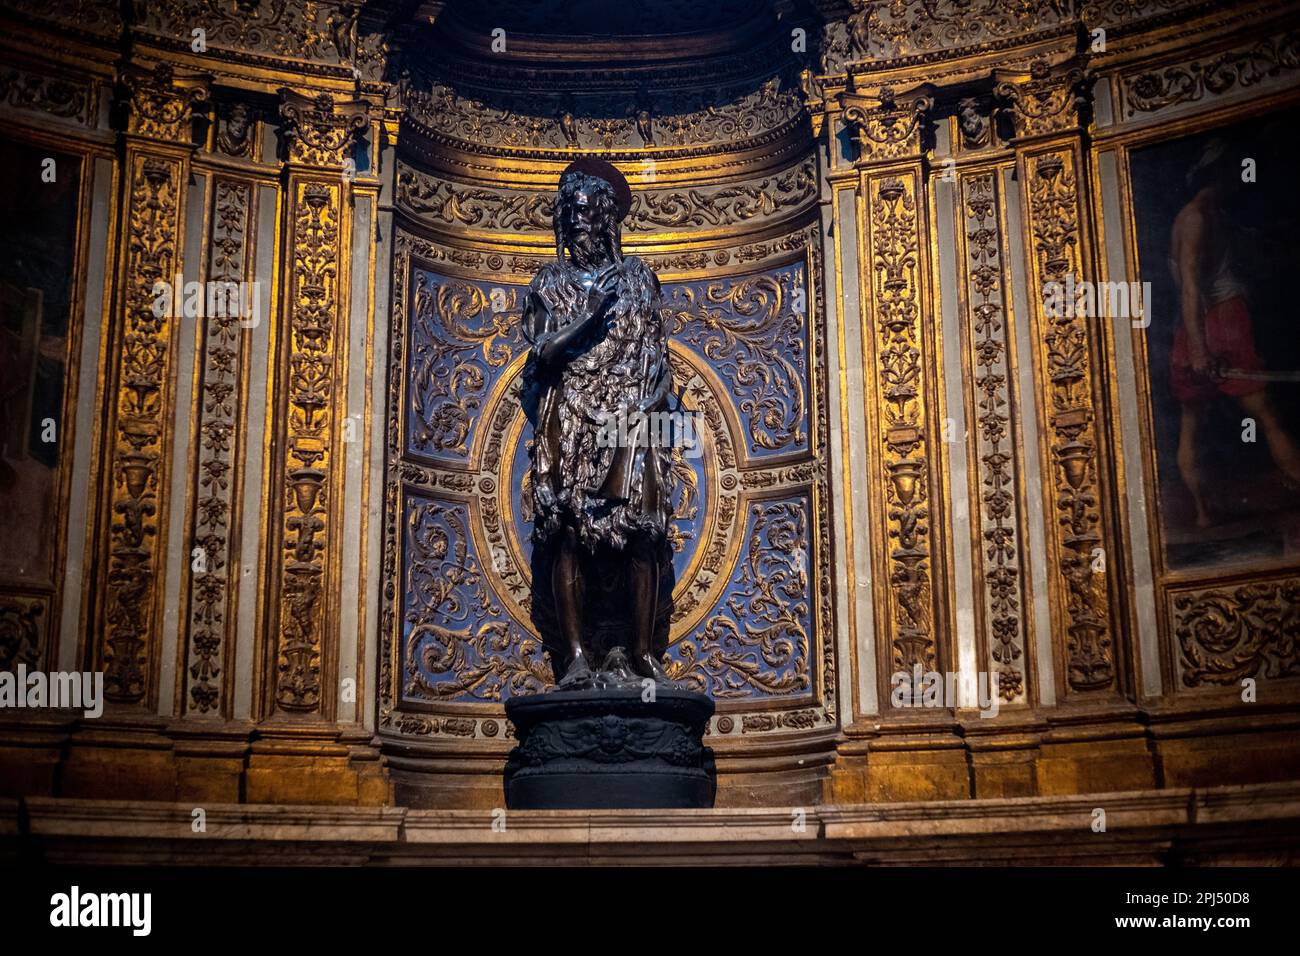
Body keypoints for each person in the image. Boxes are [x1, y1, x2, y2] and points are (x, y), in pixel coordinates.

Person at [520, 157, 677, 687]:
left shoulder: (637, 277)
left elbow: (657, 351)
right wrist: (589, 315)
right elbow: (543, 355)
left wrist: (657, 400)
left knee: (642, 529)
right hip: (570, 414)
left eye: (586, 214)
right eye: (570, 216)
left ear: (607, 217)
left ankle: (643, 654)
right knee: (565, 529)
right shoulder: (552, 281)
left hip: (630, 416)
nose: (577, 224)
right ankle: (577, 659)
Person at [1169, 139, 1300, 528]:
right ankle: (1203, 512)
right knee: (1266, 416)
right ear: (1218, 174)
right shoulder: (1196, 218)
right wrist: (1199, 349)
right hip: (1219, 322)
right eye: (1231, 170)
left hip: (1199, 326)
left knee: (1195, 422)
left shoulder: (1214, 216)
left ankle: (1204, 513)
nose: (1237, 178)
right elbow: (1192, 287)